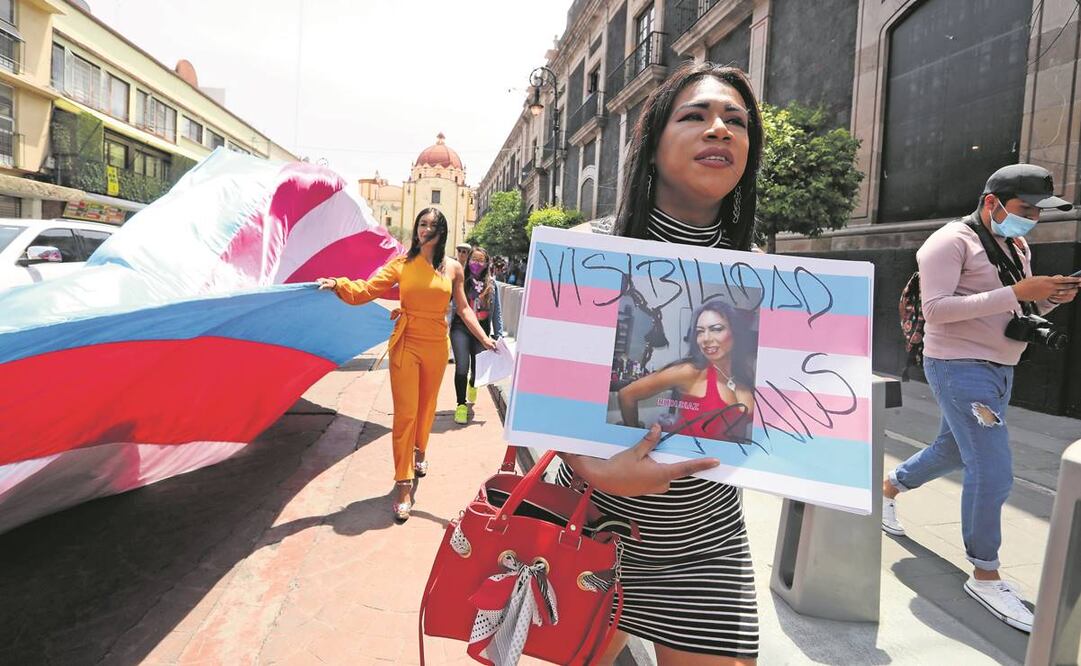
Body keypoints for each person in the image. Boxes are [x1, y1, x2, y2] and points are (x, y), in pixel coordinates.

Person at [554, 61, 763, 665]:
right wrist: (592, 468)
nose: (719, 130)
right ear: (651, 146)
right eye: (695, 116)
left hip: (707, 540)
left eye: (736, 122)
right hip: (590, 523)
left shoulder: (769, 275)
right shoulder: (589, 252)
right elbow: (542, 394)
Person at [881, 163, 1080, 633]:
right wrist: (1016, 290)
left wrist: (1049, 297)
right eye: (1025, 208)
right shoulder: (950, 242)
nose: (1032, 218)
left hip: (1000, 368)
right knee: (992, 471)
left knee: (952, 449)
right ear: (992, 202)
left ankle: (888, 488)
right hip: (958, 368)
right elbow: (936, 311)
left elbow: (1014, 305)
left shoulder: (1015, 243)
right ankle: (985, 573)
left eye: (1038, 211)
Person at [318, 208, 495, 522]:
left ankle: (420, 450)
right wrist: (339, 285)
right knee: (406, 414)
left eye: (432, 225)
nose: (426, 229)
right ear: (416, 230)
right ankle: (403, 483)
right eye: (422, 224)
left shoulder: (453, 268)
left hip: (436, 346)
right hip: (406, 342)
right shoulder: (401, 264)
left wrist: (484, 338)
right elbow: (367, 289)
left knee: (426, 409)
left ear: (442, 232)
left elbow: (464, 308)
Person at [617, 301, 755, 443]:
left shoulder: (745, 374)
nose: (705, 339)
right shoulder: (692, 371)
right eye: (700, 331)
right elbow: (627, 394)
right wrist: (635, 442)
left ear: (735, 333)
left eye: (716, 329)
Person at [450, 245, 504, 424]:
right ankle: (461, 405)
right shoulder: (460, 279)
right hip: (460, 328)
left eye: (481, 260)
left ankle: (473, 384)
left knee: (476, 370)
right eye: (474, 259)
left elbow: (496, 313)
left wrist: (499, 335)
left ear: (487, 263)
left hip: (482, 332)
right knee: (462, 367)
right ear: (468, 261)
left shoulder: (492, 284)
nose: (477, 263)